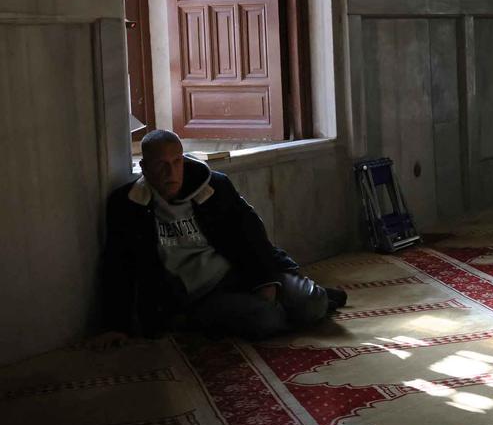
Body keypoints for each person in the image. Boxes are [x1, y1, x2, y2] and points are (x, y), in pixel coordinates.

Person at [89, 130, 346, 348]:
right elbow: (118, 265)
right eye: (161, 165)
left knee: (312, 304)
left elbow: (252, 236)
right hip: (202, 296)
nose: (171, 172)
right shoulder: (127, 205)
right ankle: (207, 319)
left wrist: (265, 281)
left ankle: (311, 299)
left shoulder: (215, 187)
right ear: (144, 167)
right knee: (267, 320)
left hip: (240, 273)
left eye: (177, 162)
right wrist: (116, 326)